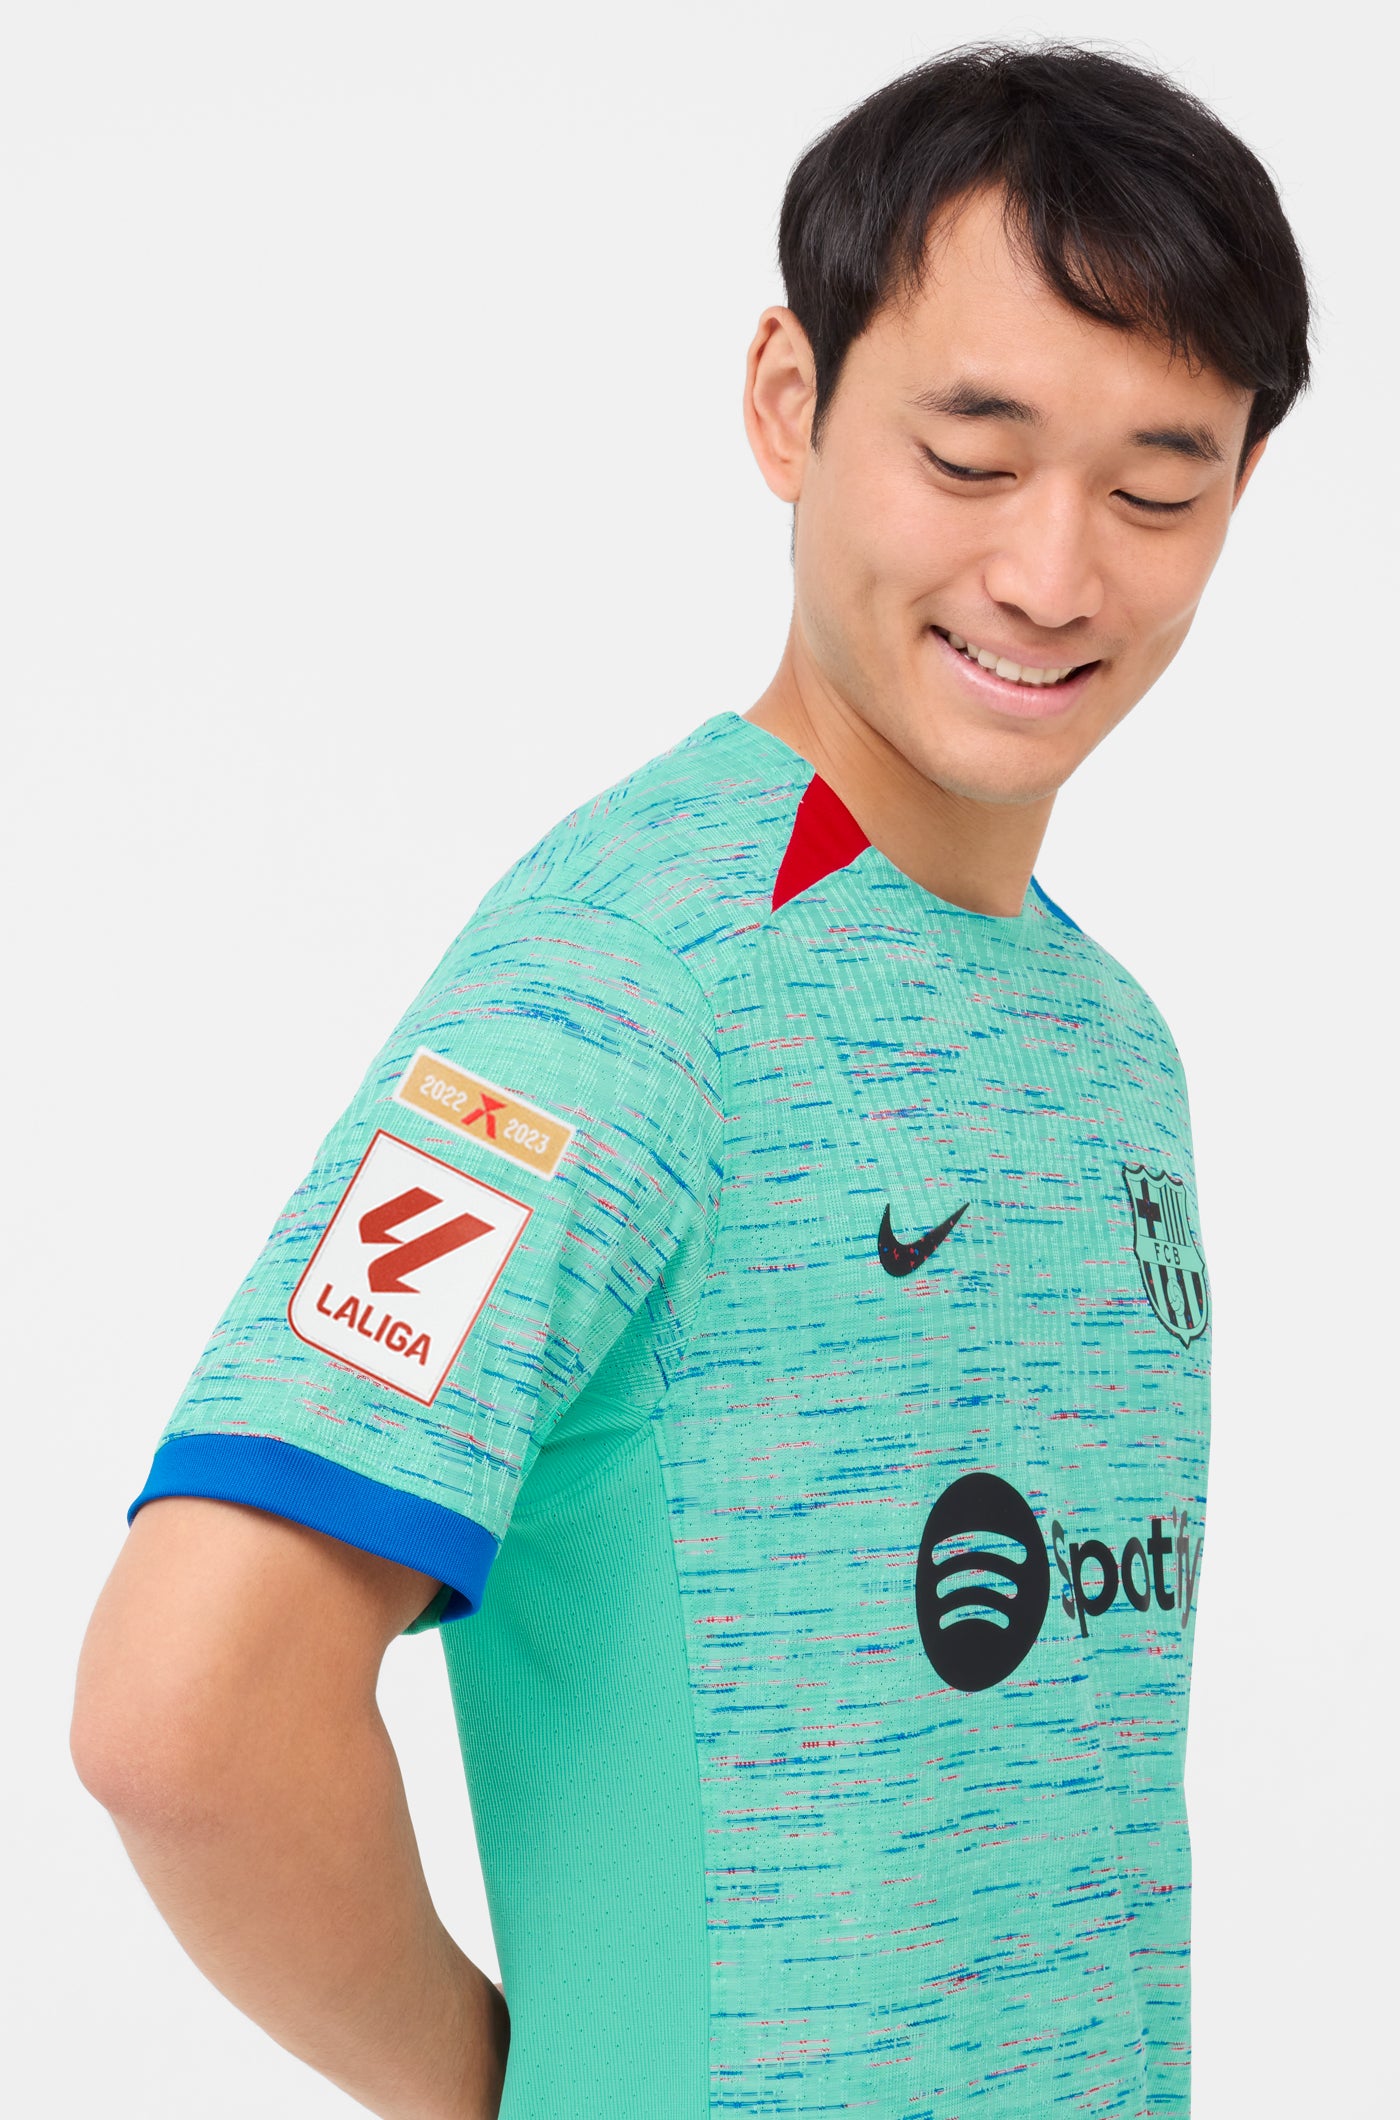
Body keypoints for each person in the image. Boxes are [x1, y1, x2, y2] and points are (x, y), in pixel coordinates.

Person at [71, 40, 1310, 2120]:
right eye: (972, 455)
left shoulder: (1111, 1042)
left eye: (1156, 489)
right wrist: (512, 2090)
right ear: (788, 403)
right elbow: (182, 1714)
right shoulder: (631, 979)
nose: (1052, 573)